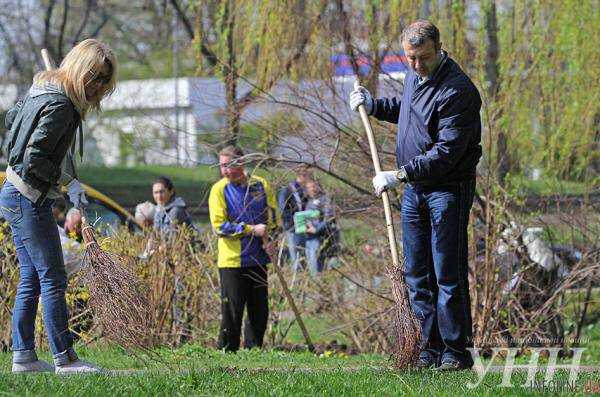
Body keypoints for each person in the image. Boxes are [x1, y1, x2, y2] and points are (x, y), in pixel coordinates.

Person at [349, 20, 481, 371]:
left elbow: (447, 151)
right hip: (415, 191)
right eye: (410, 59)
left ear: (439, 48)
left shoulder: (458, 90)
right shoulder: (415, 77)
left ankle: (455, 351)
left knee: (446, 272)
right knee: (417, 272)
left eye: (423, 57)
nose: (417, 65)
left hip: (447, 191)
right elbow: (407, 113)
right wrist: (374, 105)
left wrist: (400, 174)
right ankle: (427, 348)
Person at [0, 39, 117, 374]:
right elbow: (34, 157)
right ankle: (65, 359)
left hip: (12, 191)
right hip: (27, 195)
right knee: (53, 277)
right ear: (81, 69)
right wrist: (64, 183)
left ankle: (23, 356)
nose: (99, 87)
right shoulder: (61, 104)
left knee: (31, 278)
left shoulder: (43, 90)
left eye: (105, 81)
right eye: (95, 77)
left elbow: (12, 120)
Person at [208, 145, 279, 352]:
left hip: (258, 258)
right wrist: (251, 229)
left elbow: (273, 217)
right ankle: (227, 351)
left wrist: (271, 236)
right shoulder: (219, 190)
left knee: (259, 310)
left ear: (241, 163)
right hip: (232, 261)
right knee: (232, 310)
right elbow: (219, 226)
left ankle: (253, 350)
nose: (224, 170)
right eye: (221, 166)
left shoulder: (261, 185)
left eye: (227, 165)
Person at [277, 165, 313, 272]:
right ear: (302, 175)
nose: (310, 179)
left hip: (306, 227)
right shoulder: (287, 190)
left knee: (306, 258)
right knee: (297, 258)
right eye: (308, 176)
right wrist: (295, 221)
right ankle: (297, 283)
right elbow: (283, 210)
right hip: (293, 229)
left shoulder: (306, 190)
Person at [304, 180, 339, 276]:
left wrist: (316, 229)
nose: (312, 189)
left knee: (317, 268)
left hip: (321, 238)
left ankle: (321, 285)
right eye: (309, 187)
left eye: (314, 186)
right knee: (311, 267)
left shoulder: (326, 200)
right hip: (309, 238)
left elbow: (330, 218)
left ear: (319, 187)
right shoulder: (309, 202)